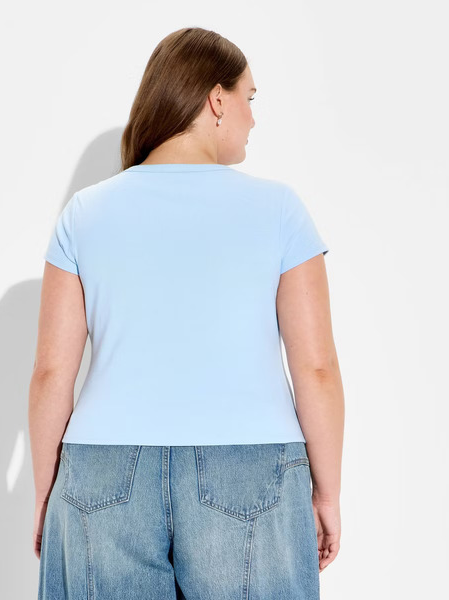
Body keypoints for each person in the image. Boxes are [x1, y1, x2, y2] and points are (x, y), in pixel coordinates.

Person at [29, 26, 344, 600]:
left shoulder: (84, 213)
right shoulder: (278, 209)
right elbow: (316, 368)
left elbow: (52, 372)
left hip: (100, 471)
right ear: (216, 99)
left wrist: (45, 495)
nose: (253, 117)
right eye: (250, 97)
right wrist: (327, 494)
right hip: (252, 470)